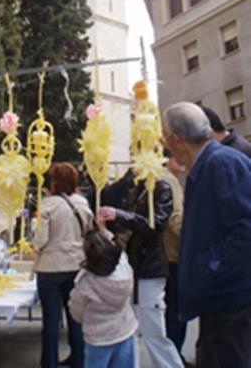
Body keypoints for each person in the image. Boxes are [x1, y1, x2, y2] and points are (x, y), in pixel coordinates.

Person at [163, 102, 251, 368]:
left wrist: (209, 267)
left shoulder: (221, 163)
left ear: (176, 140)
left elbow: (246, 229)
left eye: (165, 138)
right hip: (219, 301)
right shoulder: (209, 165)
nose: (165, 146)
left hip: (229, 302)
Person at [96, 168, 184, 368]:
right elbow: (109, 196)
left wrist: (120, 215)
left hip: (149, 265)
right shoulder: (134, 187)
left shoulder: (161, 187)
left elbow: (156, 224)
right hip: (133, 262)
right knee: (131, 327)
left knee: (152, 328)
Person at [32, 162, 94, 368]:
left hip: (50, 268)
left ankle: (49, 363)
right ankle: (79, 360)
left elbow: (40, 240)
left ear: (54, 181)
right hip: (76, 267)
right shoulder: (82, 204)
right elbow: (89, 234)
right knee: (76, 318)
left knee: (51, 321)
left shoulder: (47, 205)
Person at [68, 228, 137, 368]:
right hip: (124, 330)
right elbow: (120, 253)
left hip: (98, 337)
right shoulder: (123, 269)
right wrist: (105, 231)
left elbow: (76, 312)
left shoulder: (84, 284)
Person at [162, 150, 188, 361]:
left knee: (168, 307)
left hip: (161, 253)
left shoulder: (156, 176)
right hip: (173, 253)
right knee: (177, 309)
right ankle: (174, 356)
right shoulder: (171, 181)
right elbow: (176, 219)